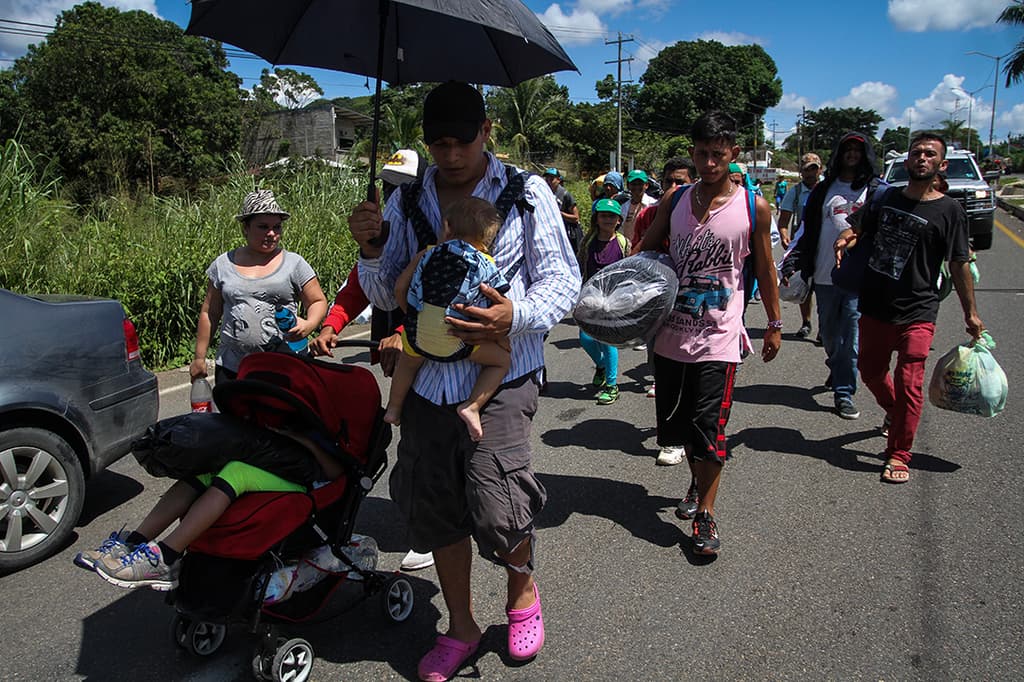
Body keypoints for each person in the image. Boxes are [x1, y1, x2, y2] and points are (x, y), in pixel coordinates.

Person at [348, 81, 580, 680]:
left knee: (498, 503)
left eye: (462, 141)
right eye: (438, 143)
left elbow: (561, 281)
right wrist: (371, 250)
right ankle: (461, 624)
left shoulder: (526, 195)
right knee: (435, 507)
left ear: (488, 132)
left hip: (500, 375)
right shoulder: (405, 203)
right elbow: (386, 293)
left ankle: (521, 590)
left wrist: (514, 314)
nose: (450, 155)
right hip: (426, 380)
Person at [639, 110, 781, 554]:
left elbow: (764, 267)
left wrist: (774, 324)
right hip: (670, 336)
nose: (708, 163)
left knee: (709, 428)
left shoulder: (752, 207)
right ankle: (696, 485)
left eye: (718, 154)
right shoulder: (675, 200)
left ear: (733, 153)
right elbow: (645, 253)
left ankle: (706, 515)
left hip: (719, 337)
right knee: (681, 427)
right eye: (701, 153)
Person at [836, 132, 984, 484]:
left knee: (909, 382)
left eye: (930, 154)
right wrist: (846, 238)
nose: (921, 158)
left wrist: (971, 313)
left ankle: (899, 452)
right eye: (916, 152)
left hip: (919, 310)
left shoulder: (950, 211)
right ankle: (894, 413)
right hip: (875, 304)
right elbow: (860, 228)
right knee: (870, 372)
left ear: (941, 164)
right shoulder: (885, 199)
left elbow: (959, 262)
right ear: (906, 160)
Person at [75, 432, 340, 590]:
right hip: (278, 460)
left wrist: (303, 439)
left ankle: (166, 558)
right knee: (205, 471)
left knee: (237, 471)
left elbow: (337, 471)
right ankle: (133, 543)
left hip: (308, 480)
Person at [384, 197, 512, 442]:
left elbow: (400, 288)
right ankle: (472, 406)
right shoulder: (486, 263)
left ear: (447, 227)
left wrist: (413, 315)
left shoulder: (427, 254)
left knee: (407, 364)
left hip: (417, 332)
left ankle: (393, 408)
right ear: (488, 240)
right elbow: (498, 304)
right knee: (501, 362)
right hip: (455, 339)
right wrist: (502, 338)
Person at [190, 190, 327, 385]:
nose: (271, 234)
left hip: (284, 362)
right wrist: (199, 358)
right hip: (232, 366)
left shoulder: (294, 263)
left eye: (277, 227)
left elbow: (317, 300)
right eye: (263, 227)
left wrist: (309, 324)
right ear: (245, 228)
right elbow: (210, 312)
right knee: (233, 415)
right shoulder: (223, 264)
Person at [789, 132, 881, 420]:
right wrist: (794, 260)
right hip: (825, 273)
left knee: (850, 337)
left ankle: (844, 392)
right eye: (847, 149)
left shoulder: (876, 189)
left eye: (857, 149)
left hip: (859, 277)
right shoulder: (823, 189)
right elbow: (806, 230)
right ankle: (837, 365)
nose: (852, 154)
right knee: (829, 334)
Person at [577, 198, 631, 405]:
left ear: (619, 220)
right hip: (590, 297)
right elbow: (579, 268)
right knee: (586, 339)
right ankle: (601, 366)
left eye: (612, 216)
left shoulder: (623, 243)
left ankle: (612, 385)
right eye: (603, 215)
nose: (607, 219)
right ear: (596, 218)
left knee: (608, 342)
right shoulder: (588, 242)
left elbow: (629, 271)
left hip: (613, 299)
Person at [778, 153, 824, 339]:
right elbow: (783, 221)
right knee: (804, 284)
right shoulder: (795, 192)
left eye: (814, 168)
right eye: (807, 169)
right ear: (801, 171)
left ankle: (824, 327)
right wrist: (784, 236)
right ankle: (806, 322)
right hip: (803, 245)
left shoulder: (828, 190)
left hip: (824, 242)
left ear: (820, 169)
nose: (810, 173)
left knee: (823, 286)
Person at [542, 167, 583, 254]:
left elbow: (576, 218)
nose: (549, 182)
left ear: (559, 180)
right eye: (547, 179)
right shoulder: (545, 193)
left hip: (568, 233)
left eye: (551, 179)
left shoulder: (565, 195)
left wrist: (559, 213)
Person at [619, 169, 657, 244]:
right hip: (628, 248)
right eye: (633, 184)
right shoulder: (623, 207)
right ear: (628, 186)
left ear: (646, 185)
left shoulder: (653, 204)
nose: (637, 187)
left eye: (640, 184)